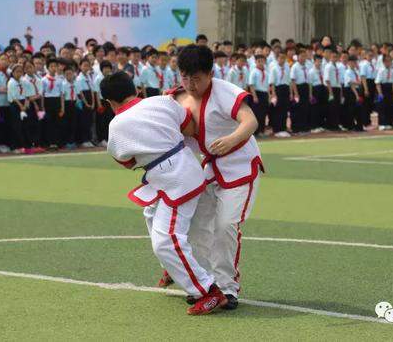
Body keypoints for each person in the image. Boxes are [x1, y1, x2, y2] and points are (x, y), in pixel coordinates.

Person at [101, 70, 227, 315]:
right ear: (136, 89)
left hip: (174, 177)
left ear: (109, 102)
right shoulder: (161, 101)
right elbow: (189, 127)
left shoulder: (116, 125)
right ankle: (173, 267)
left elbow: (126, 161)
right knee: (151, 212)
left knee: (165, 241)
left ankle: (208, 290)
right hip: (181, 166)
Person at [172, 45, 263, 311]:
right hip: (209, 168)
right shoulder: (177, 98)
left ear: (211, 73)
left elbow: (250, 121)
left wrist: (233, 138)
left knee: (225, 225)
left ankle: (226, 287)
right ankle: (202, 285)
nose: (190, 84)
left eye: (196, 78)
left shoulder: (225, 92)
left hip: (240, 166)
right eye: (185, 77)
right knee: (197, 225)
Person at [42, 58, 64, 149]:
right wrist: (42, 107)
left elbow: (62, 94)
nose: (53, 68)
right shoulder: (44, 80)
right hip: (48, 101)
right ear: (47, 68)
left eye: (55, 66)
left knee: (57, 123)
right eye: (51, 66)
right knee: (49, 123)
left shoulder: (59, 79)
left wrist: (62, 108)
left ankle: (57, 142)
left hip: (57, 101)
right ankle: (49, 142)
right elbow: (42, 94)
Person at [0, 53, 12, 153]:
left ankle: (7, 143)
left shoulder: (10, 72)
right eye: (2, 59)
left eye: (6, 59)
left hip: (9, 103)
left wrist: (9, 90)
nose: (4, 61)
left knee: (7, 125)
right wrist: (9, 90)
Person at [268, 53, 291, 137]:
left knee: (284, 110)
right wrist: (273, 94)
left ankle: (283, 128)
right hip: (278, 89)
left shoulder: (287, 68)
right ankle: (277, 129)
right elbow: (272, 83)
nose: (282, 60)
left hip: (285, 89)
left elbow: (289, 81)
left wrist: (291, 93)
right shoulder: (274, 69)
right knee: (278, 110)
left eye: (283, 58)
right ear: (277, 59)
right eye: (280, 58)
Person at [75, 58, 95, 148]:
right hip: (84, 100)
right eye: (84, 65)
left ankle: (89, 139)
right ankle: (84, 140)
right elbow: (81, 93)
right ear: (80, 66)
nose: (86, 67)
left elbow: (92, 90)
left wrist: (93, 102)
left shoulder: (89, 77)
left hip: (90, 98)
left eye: (88, 65)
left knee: (90, 121)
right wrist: (86, 103)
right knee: (84, 121)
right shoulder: (79, 78)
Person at [7, 64, 27, 153]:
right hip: (15, 105)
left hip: (23, 103)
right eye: (17, 72)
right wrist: (21, 106)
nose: (19, 74)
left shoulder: (22, 81)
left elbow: (26, 93)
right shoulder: (11, 82)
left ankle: (21, 145)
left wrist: (25, 104)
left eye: (20, 72)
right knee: (15, 126)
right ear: (13, 73)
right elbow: (14, 96)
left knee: (22, 126)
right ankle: (14, 146)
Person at [290, 50, 311, 134]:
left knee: (305, 109)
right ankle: (296, 128)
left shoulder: (307, 66)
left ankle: (304, 127)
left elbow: (309, 81)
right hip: (298, 88)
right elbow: (293, 81)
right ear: (298, 57)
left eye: (304, 56)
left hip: (305, 87)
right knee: (297, 109)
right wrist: (296, 93)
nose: (303, 58)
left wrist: (309, 93)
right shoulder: (295, 66)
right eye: (301, 56)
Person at [248, 54, 269, 137]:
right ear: (255, 62)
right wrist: (254, 96)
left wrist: (269, 96)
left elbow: (267, 86)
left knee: (263, 113)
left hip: (264, 93)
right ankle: (256, 132)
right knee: (257, 113)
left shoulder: (266, 73)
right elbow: (251, 85)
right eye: (259, 61)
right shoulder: (254, 72)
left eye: (262, 61)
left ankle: (262, 130)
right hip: (257, 93)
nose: (261, 63)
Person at [342, 55, 365, 131]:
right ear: (348, 63)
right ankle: (350, 126)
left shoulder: (356, 71)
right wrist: (356, 95)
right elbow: (351, 84)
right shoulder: (347, 72)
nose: (354, 63)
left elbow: (359, 82)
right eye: (352, 62)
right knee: (351, 109)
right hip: (350, 91)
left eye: (355, 62)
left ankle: (359, 126)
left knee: (359, 109)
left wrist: (358, 86)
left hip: (357, 90)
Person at [375, 54, 393, 131]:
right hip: (382, 88)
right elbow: (377, 83)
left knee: (389, 106)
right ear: (383, 62)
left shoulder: (392, 70)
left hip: (389, 88)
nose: (388, 63)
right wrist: (380, 93)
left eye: (389, 61)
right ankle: (381, 124)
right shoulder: (381, 70)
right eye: (386, 61)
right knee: (381, 107)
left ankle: (388, 123)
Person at [308, 54, 327, 133]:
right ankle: (314, 126)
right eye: (318, 61)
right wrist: (310, 94)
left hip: (322, 88)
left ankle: (320, 125)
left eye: (321, 61)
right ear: (314, 61)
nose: (319, 63)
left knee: (321, 108)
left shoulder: (322, 70)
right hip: (315, 89)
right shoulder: (311, 71)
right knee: (314, 109)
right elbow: (310, 84)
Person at [61, 65, 78, 149]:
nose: (69, 76)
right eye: (67, 74)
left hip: (74, 103)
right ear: (64, 75)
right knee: (66, 123)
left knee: (73, 123)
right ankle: (66, 141)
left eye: (70, 74)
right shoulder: (63, 84)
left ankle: (72, 141)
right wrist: (63, 108)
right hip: (66, 104)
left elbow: (77, 94)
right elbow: (63, 97)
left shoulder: (75, 83)